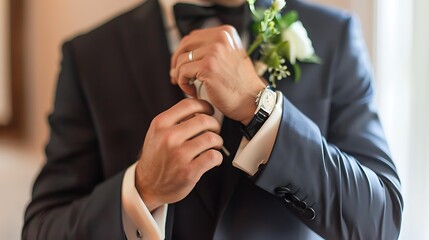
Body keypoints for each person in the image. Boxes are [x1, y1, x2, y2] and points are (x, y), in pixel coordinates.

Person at [22, 0, 403, 239]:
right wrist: (141, 189)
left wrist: (261, 107)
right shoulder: (90, 55)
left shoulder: (334, 36)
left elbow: (380, 223)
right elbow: (42, 229)